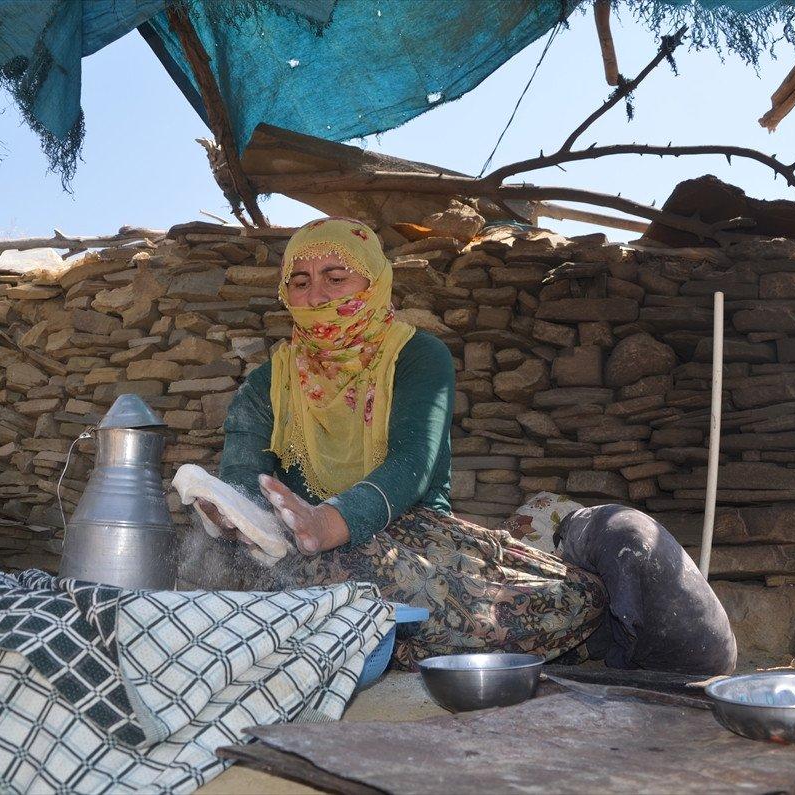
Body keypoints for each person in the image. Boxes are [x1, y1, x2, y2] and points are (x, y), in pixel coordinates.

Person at [184, 216, 736, 675]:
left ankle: (562, 631)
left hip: (414, 535)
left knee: (554, 602)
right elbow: (243, 480)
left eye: (335, 277)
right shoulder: (268, 383)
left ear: (373, 283)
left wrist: (331, 521)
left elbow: (413, 463)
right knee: (274, 573)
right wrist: (232, 513)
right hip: (298, 551)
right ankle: (387, 639)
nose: (316, 296)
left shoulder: (417, 357)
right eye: (300, 282)